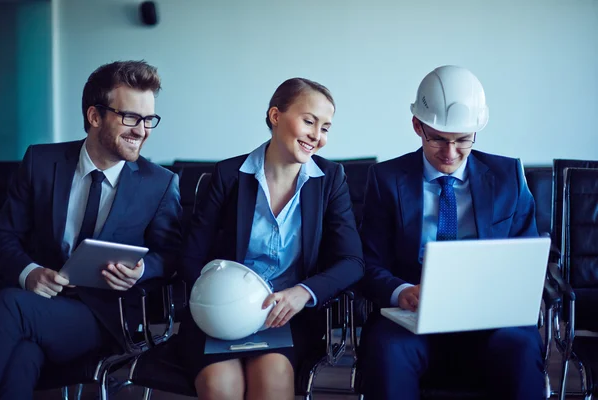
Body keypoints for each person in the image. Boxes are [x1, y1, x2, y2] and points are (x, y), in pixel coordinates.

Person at [0, 60, 182, 399]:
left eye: (148, 120)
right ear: (95, 116)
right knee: (23, 355)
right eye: (130, 117)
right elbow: (4, 235)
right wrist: (29, 272)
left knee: (8, 306)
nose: (141, 130)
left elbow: (171, 254)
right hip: (37, 305)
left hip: (102, 317)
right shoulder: (41, 162)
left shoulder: (160, 184)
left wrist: (142, 271)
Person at [358, 65, 544, 399]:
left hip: (493, 318)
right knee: (387, 349)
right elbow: (368, 264)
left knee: (520, 347)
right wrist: (401, 291)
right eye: (438, 139)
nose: (450, 153)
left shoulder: (508, 177)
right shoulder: (386, 180)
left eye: (462, 140)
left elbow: (527, 255)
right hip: (411, 318)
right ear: (417, 126)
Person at [177, 77, 364, 400]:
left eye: (325, 128)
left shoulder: (331, 180)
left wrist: (302, 293)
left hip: (288, 317)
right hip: (219, 313)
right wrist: (217, 303)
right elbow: (191, 255)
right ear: (275, 116)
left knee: (272, 381)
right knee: (222, 385)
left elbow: (352, 262)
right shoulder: (228, 175)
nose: (316, 136)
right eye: (309, 121)